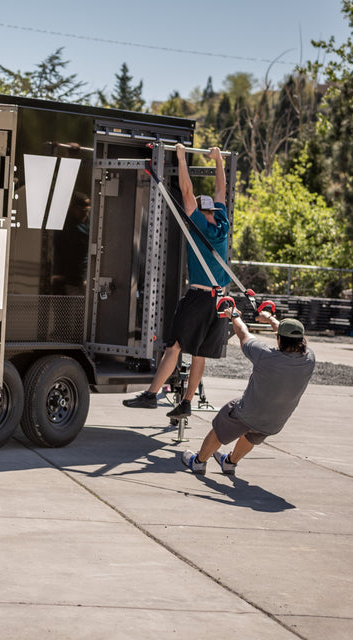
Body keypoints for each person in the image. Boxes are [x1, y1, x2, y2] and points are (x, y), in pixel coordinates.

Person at [123, 143, 231, 418]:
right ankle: (186, 402)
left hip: (198, 298)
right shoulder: (222, 226)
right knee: (199, 354)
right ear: (214, 211)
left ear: (202, 212)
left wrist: (181, 157)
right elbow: (222, 190)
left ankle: (151, 394)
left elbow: (186, 191)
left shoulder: (197, 225)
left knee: (175, 346)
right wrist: (218, 161)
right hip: (220, 301)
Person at [180, 308, 315, 476]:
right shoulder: (310, 358)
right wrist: (270, 319)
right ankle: (229, 463)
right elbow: (286, 334)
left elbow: (243, 332)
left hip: (248, 412)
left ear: (279, 338)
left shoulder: (264, 355)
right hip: (275, 421)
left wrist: (234, 316)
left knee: (223, 422)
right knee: (253, 434)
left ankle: (198, 462)